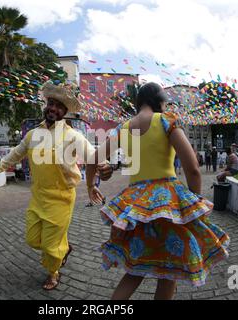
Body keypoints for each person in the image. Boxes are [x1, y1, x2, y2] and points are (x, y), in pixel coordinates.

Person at [86, 82, 229, 300]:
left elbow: (93, 159)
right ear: (160, 102)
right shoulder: (166, 120)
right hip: (168, 203)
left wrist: (91, 186)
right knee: (168, 272)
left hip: (136, 206)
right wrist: (194, 206)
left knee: (135, 269)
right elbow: (192, 169)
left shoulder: (123, 128)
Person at [0, 81, 113, 290]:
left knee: (50, 245)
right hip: (38, 196)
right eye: (51, 103)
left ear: (64, 112)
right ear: (46, 106)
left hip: (62, 198)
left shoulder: (73, 136)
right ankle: (64, 248)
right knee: (32, 239)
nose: (53, 108)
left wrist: (103, 165)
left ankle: (53, 273)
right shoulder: (33, 134)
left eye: (58, 106)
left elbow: (93, 155)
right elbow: (16, 153)